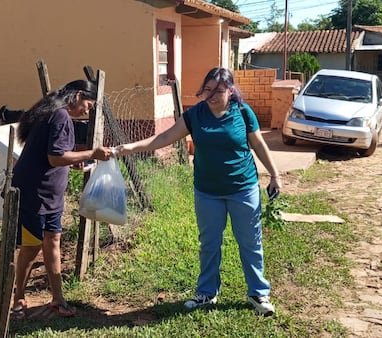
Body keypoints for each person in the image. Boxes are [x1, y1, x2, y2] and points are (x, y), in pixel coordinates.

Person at [115, 67, 283, 317]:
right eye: (208, 89)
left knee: (250, 242)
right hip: (207, 191)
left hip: (243, 188)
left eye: (218, 90)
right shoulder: (195, 115)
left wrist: (275, 174)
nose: (212, 95)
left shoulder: (243, 112)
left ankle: (258, 293)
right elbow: (165, 138)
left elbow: (258, 144)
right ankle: (207, 293)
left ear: (231, 90)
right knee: (209, 243)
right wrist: (128, 147)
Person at [10, 80, 113, 319]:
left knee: (53, 241)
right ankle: (19, 299)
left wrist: (74, 161)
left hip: (50, 194)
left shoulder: (51, 112)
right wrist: (92, 153)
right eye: (88, 104)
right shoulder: (60, 116)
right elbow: (55, 157)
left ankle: (57, 299)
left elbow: (52, 155)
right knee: (31, 245)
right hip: (33, 194)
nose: (88, 110)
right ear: (78, 96)